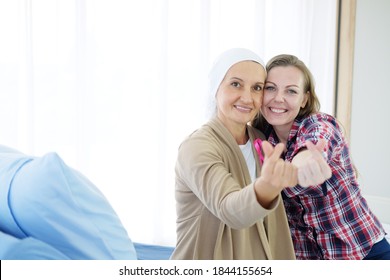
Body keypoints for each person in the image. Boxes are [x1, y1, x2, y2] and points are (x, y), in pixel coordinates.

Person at [252, 54, 390, 260]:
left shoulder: (320, 125)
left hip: (364, 252)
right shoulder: (261, 142)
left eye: (291, 91)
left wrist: (303, 166)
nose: (278, 98)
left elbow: (309, 152)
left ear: (304, 99)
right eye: (271, 88)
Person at [170, 48, 298, 260]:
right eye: (236, 84)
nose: (247, 98)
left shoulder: (261, 141)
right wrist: (265, 188)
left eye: (257, 88)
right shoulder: (196, 147)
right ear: (216, 88)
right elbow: (229, 209)